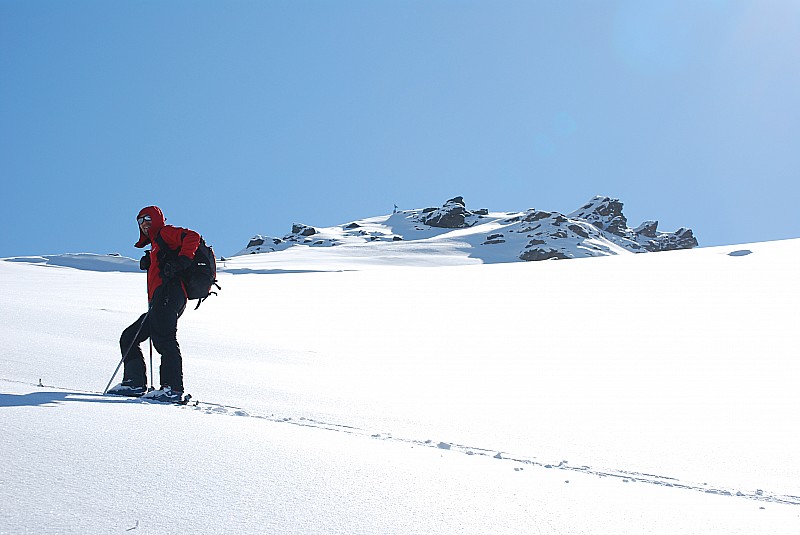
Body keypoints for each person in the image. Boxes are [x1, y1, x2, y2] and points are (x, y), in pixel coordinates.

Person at [107, 206, 200, 402]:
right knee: (129, 337)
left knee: (164, 339)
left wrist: (182, 261)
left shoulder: (165, 233)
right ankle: (134, 383)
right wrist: (153, 262)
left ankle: (172, 389)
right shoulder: (157, 245)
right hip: (161, 299)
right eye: (140, 221)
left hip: (170, 294)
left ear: (157, 218)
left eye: (148, 218)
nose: (144, 224)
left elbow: (193, 236)